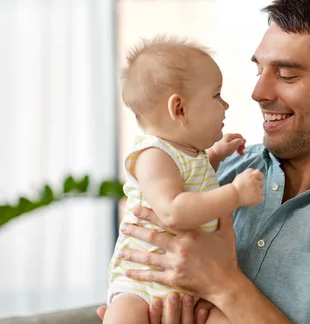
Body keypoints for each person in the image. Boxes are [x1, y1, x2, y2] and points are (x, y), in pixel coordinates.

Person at [98, 0, 310, 324]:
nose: (258, 93)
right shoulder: (214, 169)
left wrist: (226, 285)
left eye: (287, 74)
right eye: (259, 71)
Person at [104, 36, 264, 324]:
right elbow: (174, 210)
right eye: (216, 95)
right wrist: (236, 194)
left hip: (194, 284)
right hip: (142, 285)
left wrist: (216, 153)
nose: (225, 105)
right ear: (179, 109)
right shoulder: (152, 155)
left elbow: (194, 177)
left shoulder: (190, 153)